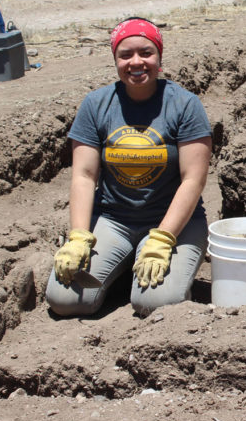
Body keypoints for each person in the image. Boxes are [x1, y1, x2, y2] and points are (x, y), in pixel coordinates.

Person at [46, 17, 213, 317]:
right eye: (126, 55)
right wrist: (79, 237)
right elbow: (84, 177)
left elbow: (193, 181)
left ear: (159, 56)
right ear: (116, 59)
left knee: (153, 303)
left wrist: (163, 238)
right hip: (113, 220)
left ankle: (153, 272)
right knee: (65, 299)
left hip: (173, 223)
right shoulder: (96, 104)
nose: (136, 62)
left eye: (146, 52)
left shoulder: (185, 105)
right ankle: (124, 268)